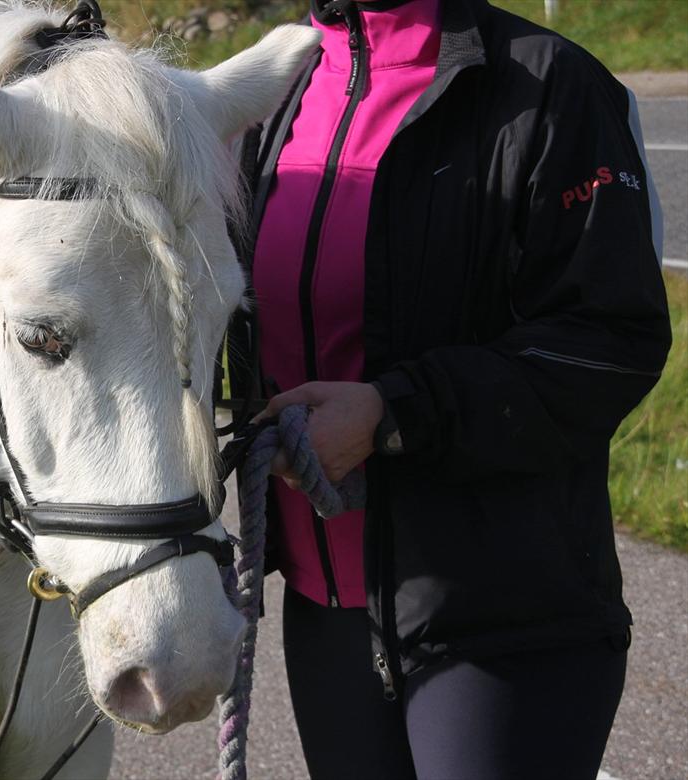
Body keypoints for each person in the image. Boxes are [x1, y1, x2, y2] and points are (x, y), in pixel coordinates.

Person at [236, 0, 671, 776]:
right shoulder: (280, 91)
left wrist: (391, 412)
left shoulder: (550, 84)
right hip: (327, 612)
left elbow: (612, 341)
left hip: (502, 622)